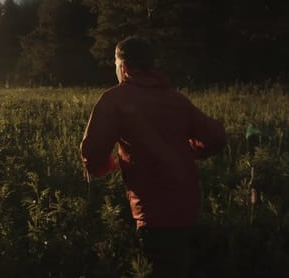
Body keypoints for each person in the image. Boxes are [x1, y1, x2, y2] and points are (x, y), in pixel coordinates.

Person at [80, 36, 226, 277]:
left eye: (115, 65)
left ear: (123, 67)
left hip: (151, 213)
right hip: (187, 207)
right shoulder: (176, 99)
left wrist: (106, 166)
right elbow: (216, 137)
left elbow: (92, 154)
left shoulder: (115, 99)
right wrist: (190, 151)